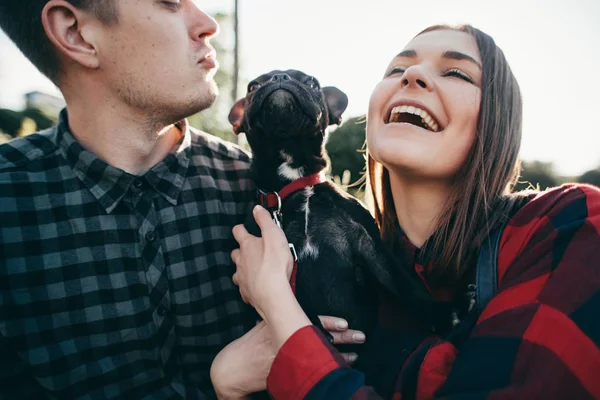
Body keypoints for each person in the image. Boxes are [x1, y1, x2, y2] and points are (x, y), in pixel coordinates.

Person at [214, 24, 600, 399]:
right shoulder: (362, 250)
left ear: (499, 117)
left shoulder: (571, 222)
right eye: (397, 69)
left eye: (455, 72)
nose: (413, 75)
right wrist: (229, 383)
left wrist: (281, 315)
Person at [0, 1, 361, 398]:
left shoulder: (263, 194)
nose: (209, 25)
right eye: (171, 3)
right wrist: (224, 386)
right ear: (76, 32)